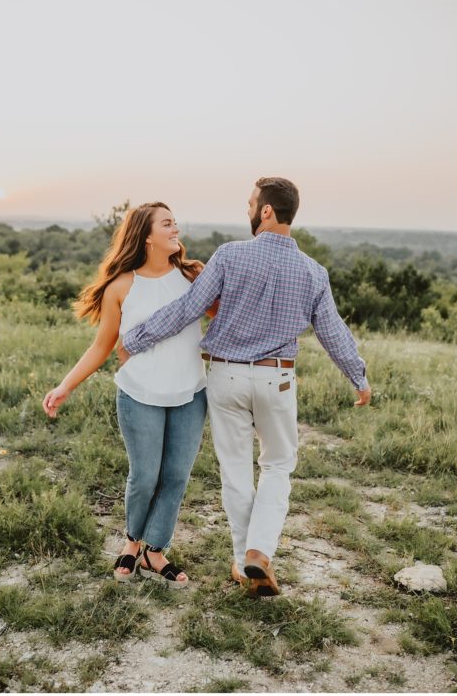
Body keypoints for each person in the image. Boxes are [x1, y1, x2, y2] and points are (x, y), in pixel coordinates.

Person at [120, 176, 371, 597]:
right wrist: (358, 376)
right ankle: (258, 552)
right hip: (277, 378)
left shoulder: (230, 256)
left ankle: (242, 562)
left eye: (252, 204)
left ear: (267, 211)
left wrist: (134, 340)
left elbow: (187, 309)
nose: (249, 210)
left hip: (225, 376)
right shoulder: (314, 271)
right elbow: (333, 331)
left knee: (236, 471)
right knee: (277, 466)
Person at [43, 202, 215, 588]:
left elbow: (228, 314)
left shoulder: (194, 274)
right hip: (139, 394)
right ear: (147, 235)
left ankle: (156, 551)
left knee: (175, 476)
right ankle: (132, 541)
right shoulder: (122, 285)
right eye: (167, 224)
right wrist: (65, 385)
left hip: (191, 393)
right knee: (144, 476)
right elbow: (102, 346)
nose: (176, 228)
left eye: (175, 222)